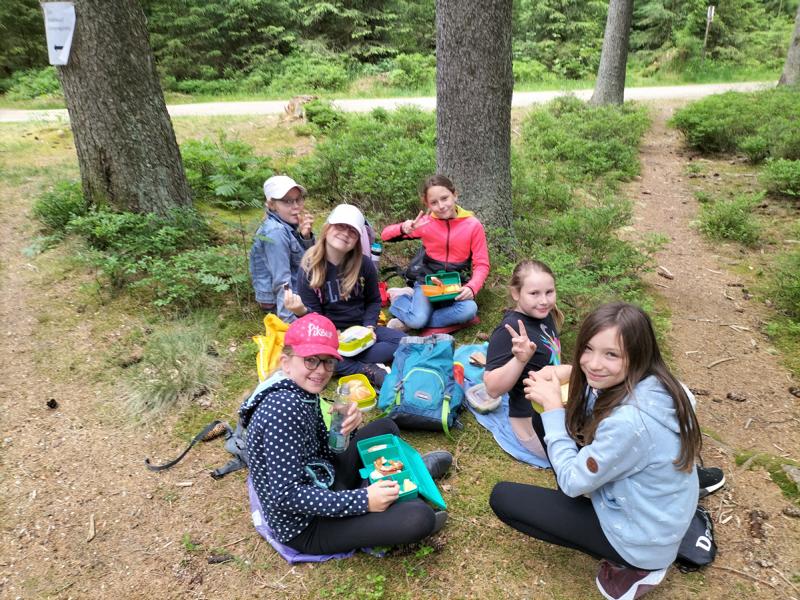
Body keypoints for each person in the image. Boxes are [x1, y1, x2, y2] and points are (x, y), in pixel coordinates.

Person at [490, 302, 702, 600]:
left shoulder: (630, 424)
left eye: (611, 354)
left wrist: (553, 408)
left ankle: (637, 569)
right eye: (587, 349)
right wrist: (568, 372)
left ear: (638, 354)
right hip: (661, 511)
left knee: (504, 497)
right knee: (546, 418)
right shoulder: (663, 384)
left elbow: (574, 482)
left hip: (642, 539)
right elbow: (593, 388)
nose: (593, 363)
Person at [241, 313, 451, 555]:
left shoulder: (301, 389)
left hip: (323, 479)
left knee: (384, 428)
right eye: (311, 360)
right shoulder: (282, 410)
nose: (321, 370)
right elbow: (287, 496)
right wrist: (363, 500)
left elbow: (323, 451)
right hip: (307, 525)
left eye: (328, 361)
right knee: (418, 517)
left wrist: (344, 431)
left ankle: (409, 478)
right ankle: (403, 490)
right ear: (286, 362)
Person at [290, 204, 404, 388]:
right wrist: (301, 312)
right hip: (329, 336)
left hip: (360, 331)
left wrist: (369, 326)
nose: (345, 233)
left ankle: (342, 362)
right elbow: (314, 319)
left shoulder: (364, 264)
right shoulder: (309, 268)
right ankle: (367, 371)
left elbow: (373, 300)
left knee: (402, 342)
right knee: (319, 356)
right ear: (327, 228)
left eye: (352, 231)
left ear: (358, 239)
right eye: (340, 226)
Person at [483, 260, 572, 459]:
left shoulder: (545, 315)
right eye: (534, 293)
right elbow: (492, 388)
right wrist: (519, 360)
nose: (544, 301)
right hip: (534, 424)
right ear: (516, 293)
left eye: (549, 292)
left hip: (556, 404)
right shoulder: (510, 331)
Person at [380, 174, 490, 330]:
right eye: (434, 202)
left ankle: (412, 320)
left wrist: (472, 287)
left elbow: (482, 264)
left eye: (444, 198)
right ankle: (400, 300)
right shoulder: (424, 223)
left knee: (469, 310)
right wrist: (403, 227)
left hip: (455, 285)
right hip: (427, 283)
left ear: (455, 195)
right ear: (427, 204)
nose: (441, 206)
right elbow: (385, 235)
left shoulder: (473, 225)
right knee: (418, 320)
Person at [249, 175, 314, 322]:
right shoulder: (276, 232)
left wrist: (306, 237)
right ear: (272, 205)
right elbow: (281, 280)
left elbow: (308, 262)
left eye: (298, 199)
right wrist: (290, 321)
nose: (296, 206)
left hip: (298, 287)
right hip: (280, 301)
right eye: (287, 201)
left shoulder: (289, 226)